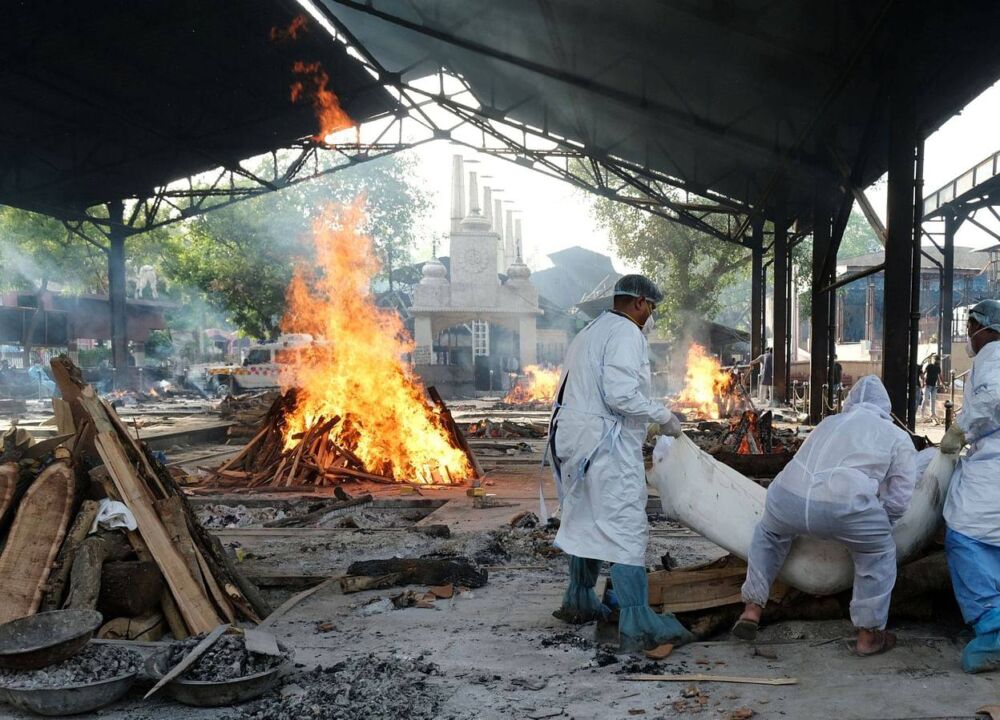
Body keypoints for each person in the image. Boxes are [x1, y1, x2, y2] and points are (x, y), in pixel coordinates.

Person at [548, 274, 691, 651]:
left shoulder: (591, 330)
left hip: (575, 441)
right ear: (640, 302)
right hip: (603, 446)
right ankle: (637, 620)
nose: (651, 317)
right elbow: (621, 396)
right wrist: (663, 415)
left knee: (585, 516)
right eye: (652, 309)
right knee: (626, 525)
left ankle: (579, 597)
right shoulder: (627, 333)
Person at [732, 375, 916, 655]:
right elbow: (900, 495)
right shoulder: (896, 436)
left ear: (850, 402)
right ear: (885, 407)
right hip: (846, 505)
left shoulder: (828, 423)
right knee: (878, 554)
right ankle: (869, 635)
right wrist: (877, 526)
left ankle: (752, 608)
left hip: (788, 496)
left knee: (769, 533)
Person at [939, 300, 1000, 673]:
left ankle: (993, 629)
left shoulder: (993, 353)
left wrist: (963, 430)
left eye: (970, 328)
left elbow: (992, 397)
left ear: (983, 326)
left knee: (963, 533)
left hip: (992, 467)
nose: (969, 337)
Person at [921, 355, 942, 421]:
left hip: (934, 386)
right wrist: (923, 382)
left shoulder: (938, 367)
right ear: (934, 360)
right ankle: (922, 414)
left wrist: (942, 384)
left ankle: (932, 414)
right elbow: (923, 374)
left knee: (933, 400)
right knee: (925, 399)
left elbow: (939, 376)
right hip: (928, 385)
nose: (938, 361)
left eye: (938, 360)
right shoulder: (929, 366)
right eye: (937, 360)